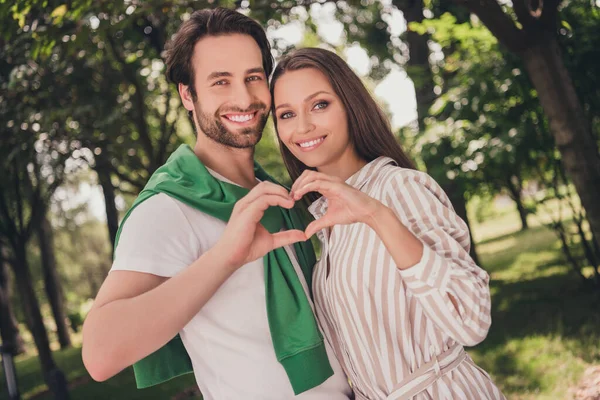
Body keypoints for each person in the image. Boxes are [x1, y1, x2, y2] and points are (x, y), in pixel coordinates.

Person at [81, 10, 352, 400]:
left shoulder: (277, 195)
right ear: (188, 94)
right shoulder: (168, 209)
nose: (243, 98)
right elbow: (100, 355)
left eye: (253, 77)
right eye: (220, 82)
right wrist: (226, 256)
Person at [271, 47, 505, 400]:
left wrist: (376, 215)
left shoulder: (399, 189)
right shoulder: (323, 223)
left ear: (350, 105)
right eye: (286, 114)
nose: (302, 126)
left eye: (319, 105)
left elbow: (471, 320)